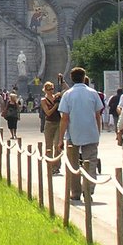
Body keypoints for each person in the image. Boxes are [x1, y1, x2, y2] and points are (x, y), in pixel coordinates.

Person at [58, 67, 103, 203]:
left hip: (73, 134)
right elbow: (97, 115)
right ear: (84, 78)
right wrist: (98, 132)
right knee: (91, 162)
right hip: (90, 133)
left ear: (71, 79)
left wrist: (60, 138)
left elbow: (64, 118)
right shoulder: (93, 93)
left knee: (74, 164)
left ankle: (75, 192)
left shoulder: (68, 94)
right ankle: (88, 189)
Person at [40, 81, 63, 176]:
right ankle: (49, 165)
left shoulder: (56, 97)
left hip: (58, 122)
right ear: (45, 90)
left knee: (58, 145)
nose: (51, 91)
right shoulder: (43, 100)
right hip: (49, 123)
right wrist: (55, 106)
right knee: (48, 146)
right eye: (49, 89)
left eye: (52, 89)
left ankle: (56, 166)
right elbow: (48, 112)